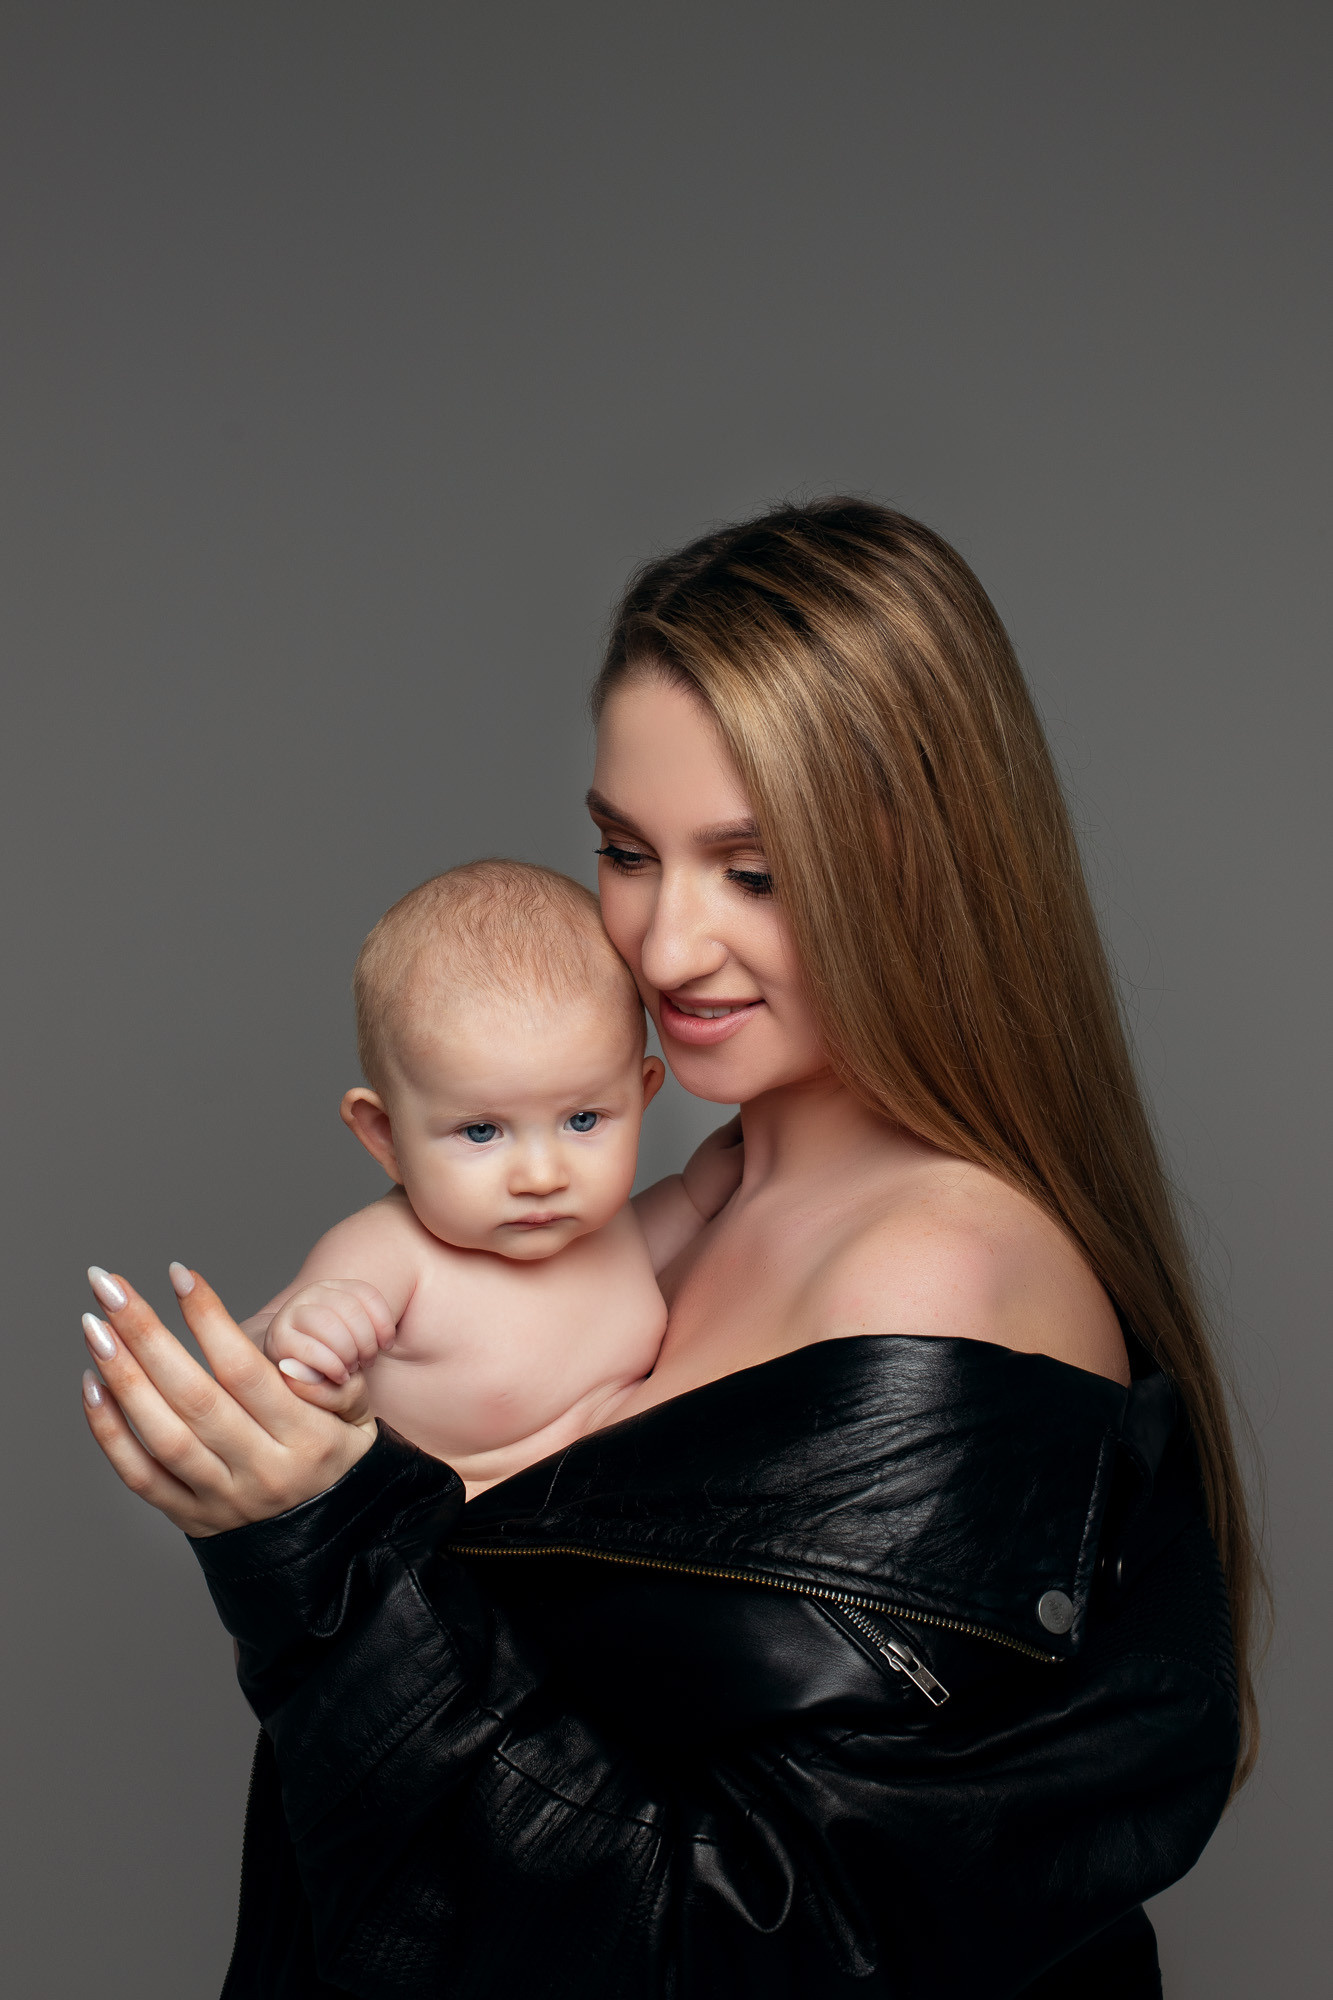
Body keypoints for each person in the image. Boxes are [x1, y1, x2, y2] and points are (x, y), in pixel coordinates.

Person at [82, 498, 1257, 1997]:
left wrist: (325, 1552)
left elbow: (751, 1948)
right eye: (626, 852)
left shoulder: (935, 1277)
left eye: (753, 872)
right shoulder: (679, 1203)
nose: (664, 945)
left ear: (925, 864)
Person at [246, 858, 742, 1491]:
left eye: (583, 1120)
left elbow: (660, 1227)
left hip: (628, 1518)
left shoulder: (605, 1227)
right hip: (475, 1538)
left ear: (641, 1097)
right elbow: (246, 1351)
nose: (541, 1175)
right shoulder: (391, 1253)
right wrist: (294, 1335)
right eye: (481, 1131)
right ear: (384, 1135)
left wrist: (706, 1186)